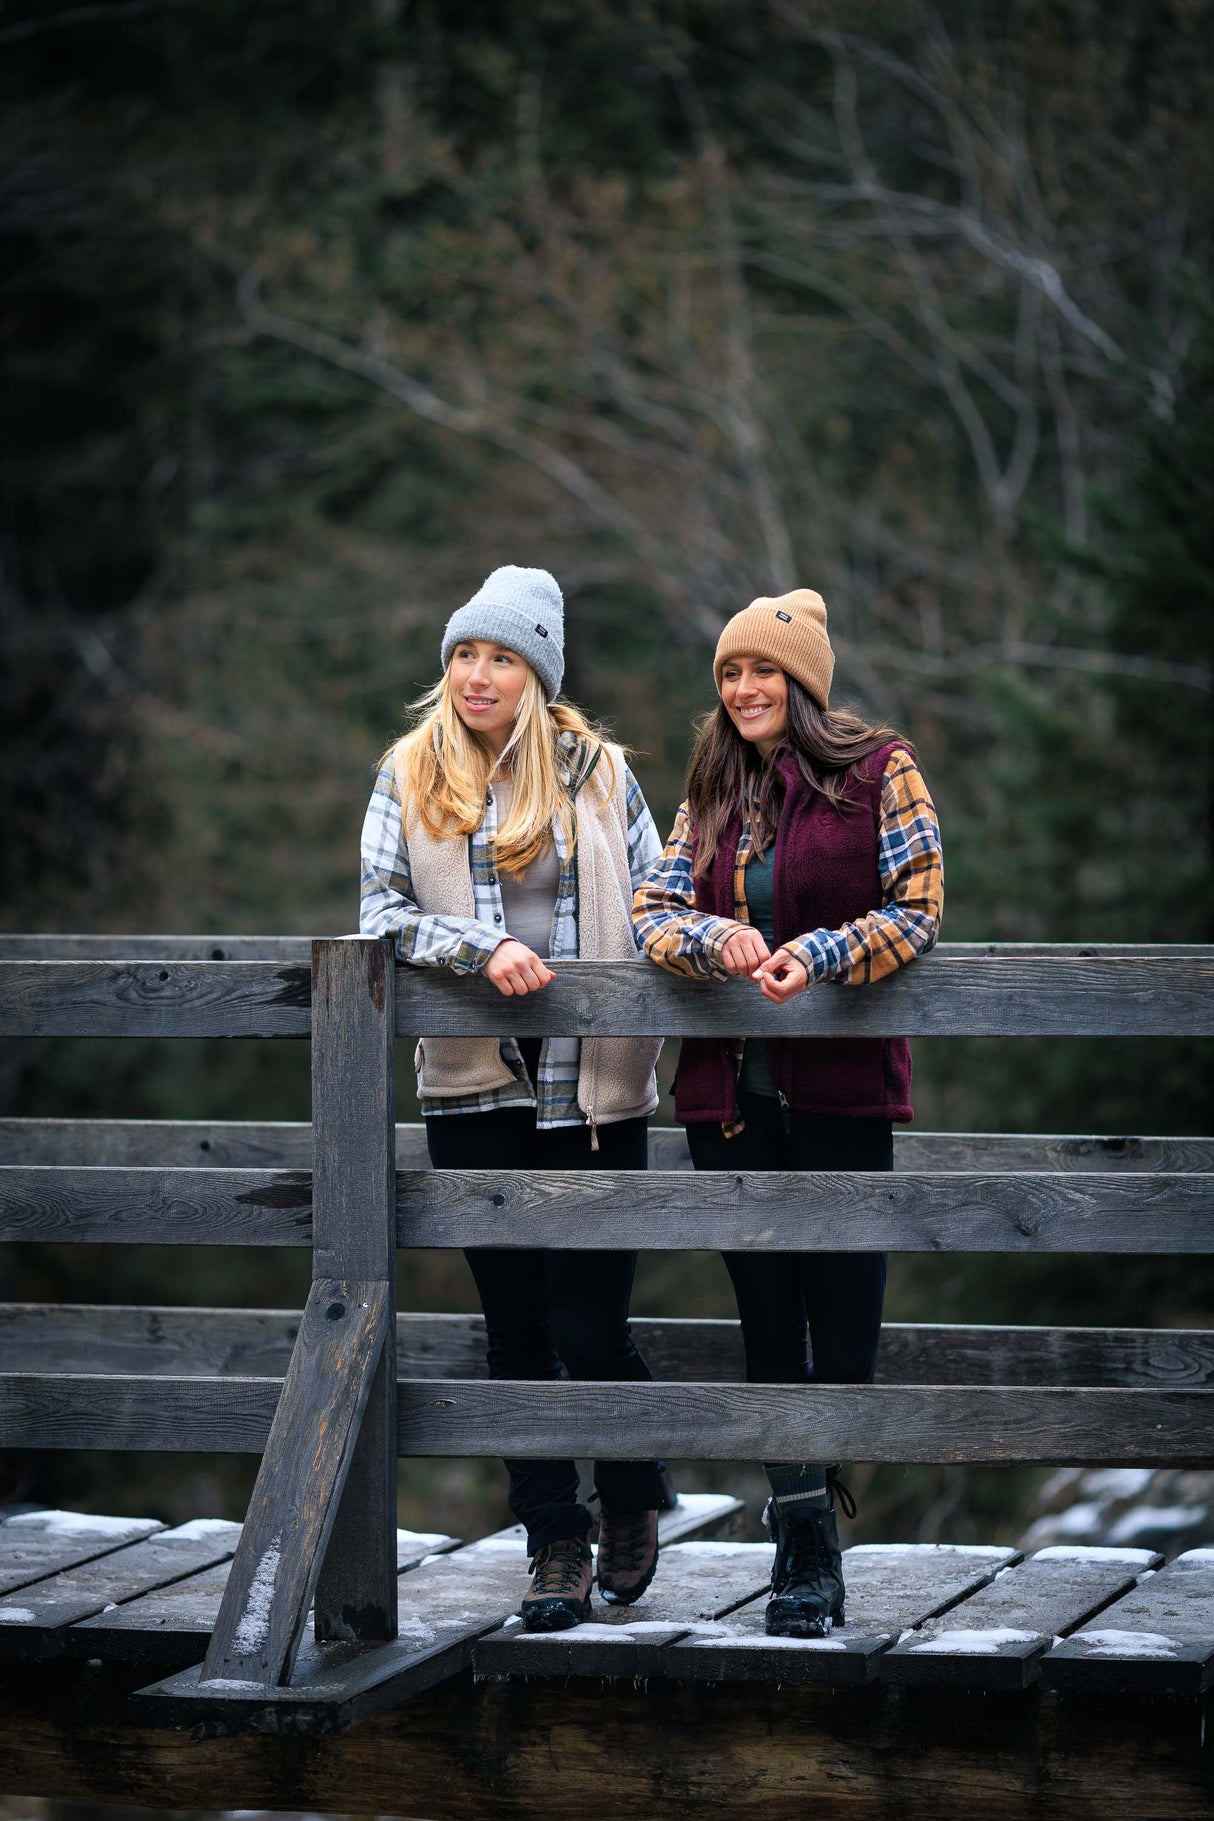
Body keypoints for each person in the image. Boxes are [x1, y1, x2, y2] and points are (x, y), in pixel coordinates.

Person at [360, 565, 665, 1632]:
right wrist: (475, 944)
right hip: (472, 1092)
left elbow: (659, 896)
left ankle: (630, 1497)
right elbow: (380, 912)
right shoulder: (406, 772)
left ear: (537, 674)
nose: (476, 674)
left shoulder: (600, 774)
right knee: (514, 1333)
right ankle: (552, 1543)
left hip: (597, 1091)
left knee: (592, 1323)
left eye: (499, 657)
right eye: (463, 654)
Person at [634, 587, 943, 1638]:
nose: (742, 689)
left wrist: (816, 956)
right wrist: (712, 942)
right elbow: (652, 907)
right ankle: (801, 1550)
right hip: (726, 1101)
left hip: (841, 1093)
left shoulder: (878, 772)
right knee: (767, 1323)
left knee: (843, 1330)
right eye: (728, 673)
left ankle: (815, 1513)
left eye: (760, 671)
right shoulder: (714, 781)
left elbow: (917, 905)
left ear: (802, 681)